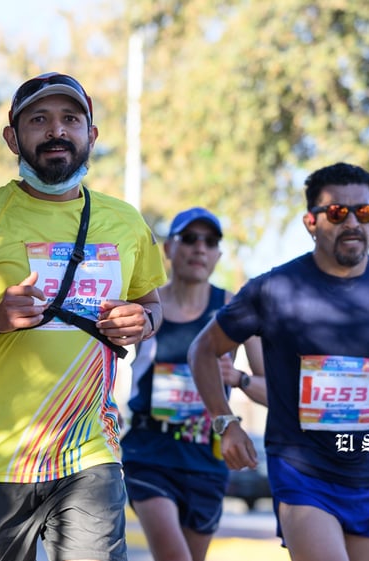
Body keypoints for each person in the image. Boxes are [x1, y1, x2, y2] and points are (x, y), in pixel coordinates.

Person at [0, 72, 167, 561]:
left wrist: (145, 321)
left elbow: (152, 307)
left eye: (71, 119)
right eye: (38, 119)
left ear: (92, 135)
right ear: (12, 137)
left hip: (89, 452)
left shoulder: (125, 221)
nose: (56, 131)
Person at [187, 163, 369, 561]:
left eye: (364, 212)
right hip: (303, 471)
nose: (352, 222)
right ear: (311, 222)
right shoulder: (273, 289)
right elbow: (202, 349)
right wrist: (226, 422)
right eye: (338, 213)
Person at [121, 207, 266, 561]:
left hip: (207, 455)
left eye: (210, 241)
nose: (200, 248)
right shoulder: (145, 303)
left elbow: (272, 389)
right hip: (149, 451)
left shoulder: (232, 308)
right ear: (169, 249)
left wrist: (239, 378)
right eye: (189, 238)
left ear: (218, 253)